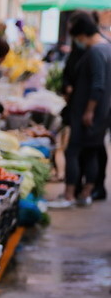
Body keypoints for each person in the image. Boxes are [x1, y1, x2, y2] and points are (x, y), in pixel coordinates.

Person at [49, 14, 111, 208]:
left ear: (83, 34)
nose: (77, 42)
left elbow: (98, 85)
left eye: (77, 37)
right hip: (102, 112)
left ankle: (69, 195)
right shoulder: (107, 48)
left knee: (73, 151)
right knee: (91, 152)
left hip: (88, 112)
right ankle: (86, 194)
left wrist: (89, 111)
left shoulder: (95, 52)